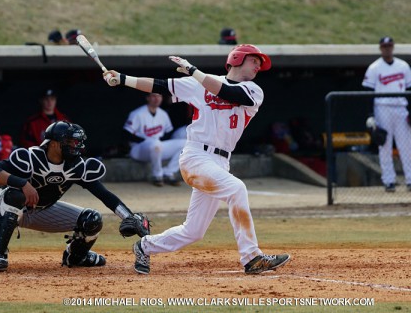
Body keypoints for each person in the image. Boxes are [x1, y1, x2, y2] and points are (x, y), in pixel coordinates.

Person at [103, 44, 291, 275]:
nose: (259, 66)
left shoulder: (253, 90)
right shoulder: (199, 83)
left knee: (193, 231)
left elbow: (228, 93)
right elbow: (159, 85)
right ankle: (252, 257)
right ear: (238, 58)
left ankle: (144, 246)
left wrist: (194, 71)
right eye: (255, 60)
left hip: (221, 162)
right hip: (196, 157)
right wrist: (122, 78)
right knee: (237, 189)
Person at [0, 121, 150, 272]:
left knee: (92, 219)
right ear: (54, 143)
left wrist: (128, 216)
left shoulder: (76, 166)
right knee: (15, 195)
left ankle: (76, 257)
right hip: (7, 204)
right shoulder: (31, 158)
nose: (75, 146)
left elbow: (104, 194)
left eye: (77, 142)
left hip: (42, 209)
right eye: (70, 142)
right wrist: (23, 184)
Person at [362, 37, 411, 193]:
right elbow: (367, 93)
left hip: (400, 108)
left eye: (389, 46)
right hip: (382, 108)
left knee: (407, 146)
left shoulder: (402, 65)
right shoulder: (374, 67)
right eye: (384, 46)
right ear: (380, 48)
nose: (387, 49)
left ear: (393, 47)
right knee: (384, 145)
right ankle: (389, 180)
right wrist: (370, 114)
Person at [123, 93, 186, 186]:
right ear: (148, 98)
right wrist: (145, 140)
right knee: (155, 143)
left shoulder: (163, 114)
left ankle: (168, 173)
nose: (156, 99)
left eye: (159, 96)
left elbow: (168, 133)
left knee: (186, 143)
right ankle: (157, 175)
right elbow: (126, 134)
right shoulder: (137, 113)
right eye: (153, 96)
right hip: (139, 150)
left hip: (157, 147)